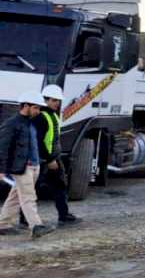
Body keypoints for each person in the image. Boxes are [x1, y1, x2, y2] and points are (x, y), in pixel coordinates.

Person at [23, 85, 80, 227]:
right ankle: (25, 219)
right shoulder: (40, 117)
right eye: (54, 100)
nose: (57, 103)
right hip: (44, 160)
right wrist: (49, 160)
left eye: (58, 100)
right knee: (32, 190)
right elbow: (38, 142)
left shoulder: (53, 115)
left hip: (53, 158)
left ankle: (64, 215)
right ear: (45, 100)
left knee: (60, 186)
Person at [0, 92, 54, 238]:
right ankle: (36, 226)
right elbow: (3, 148)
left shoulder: (30, 123)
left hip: (32, 165)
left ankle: (3, 224)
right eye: (36, 108)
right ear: (25, 106)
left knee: (16, 196)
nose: (38, 111)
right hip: (23, 167)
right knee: (28, 196)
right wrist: (2, 169)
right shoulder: (11, 124)